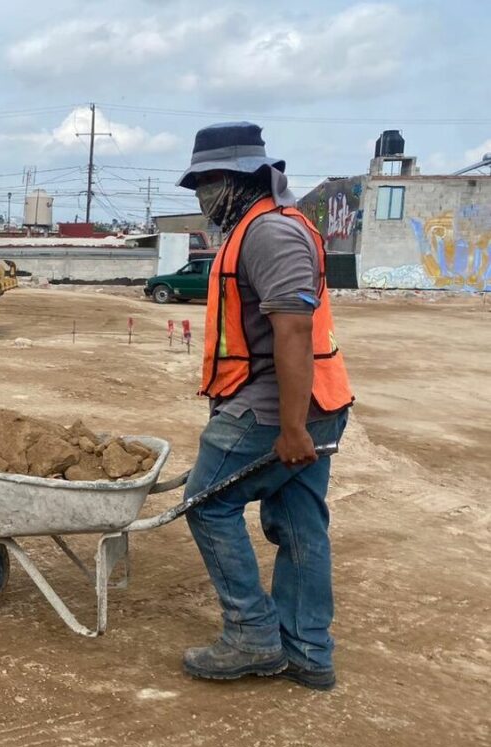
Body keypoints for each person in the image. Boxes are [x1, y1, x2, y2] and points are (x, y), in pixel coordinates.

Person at [175, 122, 354, 691]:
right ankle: (306, 651)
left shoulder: (269, 235)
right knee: (299, 523)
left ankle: (252, 635)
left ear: (239, 179)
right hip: (306, 402)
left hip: (275, 410)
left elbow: (294, 332)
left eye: (208, 184)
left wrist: (294, 428)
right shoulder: (258, 228)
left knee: (206, 505)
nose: (203, 197)